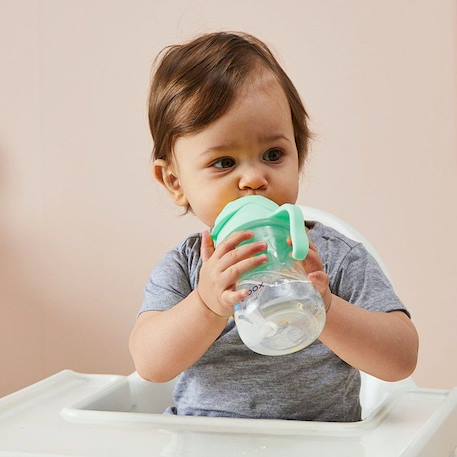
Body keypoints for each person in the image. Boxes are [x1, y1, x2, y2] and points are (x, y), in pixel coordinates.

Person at [128, 31, 419, 422]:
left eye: (273, 154)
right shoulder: (188, 267)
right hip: (207, 444)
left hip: (320, 447)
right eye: (224, 162)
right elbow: (150, 363)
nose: (253, 178)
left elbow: (401, 359)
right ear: (175, 183)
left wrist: (327, 308)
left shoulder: (335, 258)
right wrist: (206, 305)